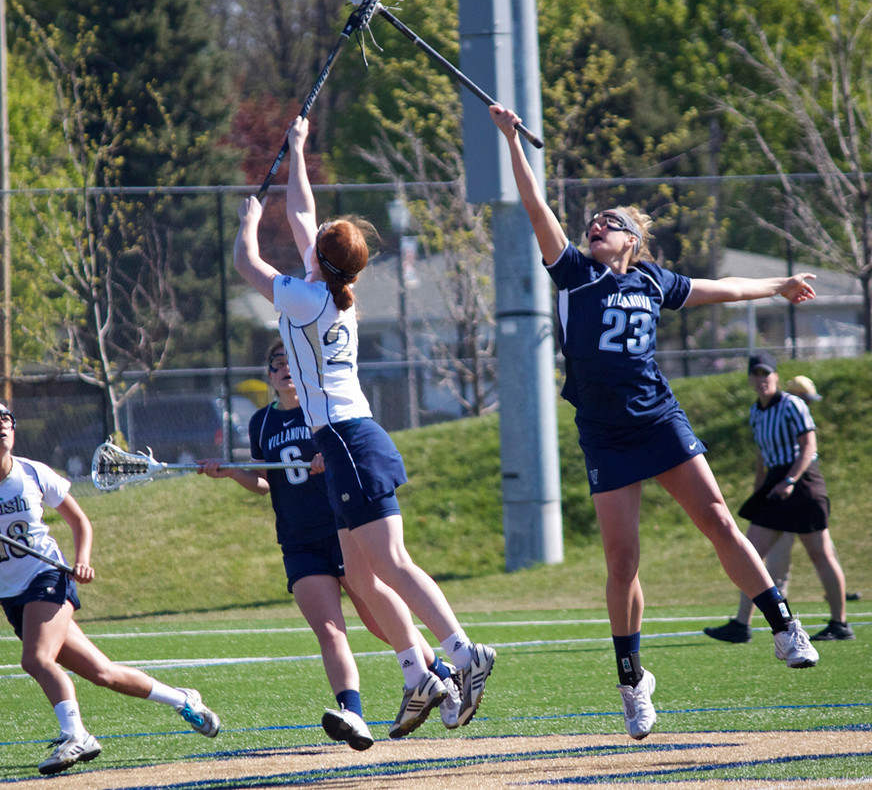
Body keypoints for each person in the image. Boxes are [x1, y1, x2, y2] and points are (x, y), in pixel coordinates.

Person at [489, 104, 819, 742]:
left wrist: (778, 283)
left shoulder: (652, 280)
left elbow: (720, 286)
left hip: (658, 418)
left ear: (632, 242)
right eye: (593, 223)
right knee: (622, 562)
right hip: (606, 434)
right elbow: (535, 208)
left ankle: (784, 626)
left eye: (608, 224)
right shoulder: (575, 274)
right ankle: (632, 683)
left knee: (720, 519)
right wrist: (512, 141)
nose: (595, 227)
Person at [233, 116, 495, 740]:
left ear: (320, 261)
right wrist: (296, 150)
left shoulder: (308, 298)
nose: (310, 235)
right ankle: (417, 674)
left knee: (393, 563)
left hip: (349, 440)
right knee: (365, 568)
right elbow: (304, 217)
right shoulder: (333, 288)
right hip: (349, 439)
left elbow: (247, 264)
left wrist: (246, 217)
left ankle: (463, 654)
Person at [0, 400, 220, 776]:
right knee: (103, 672)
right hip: (10, 594)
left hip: (47, 576)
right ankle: (184, 700)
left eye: (7, 419)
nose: (1, 425)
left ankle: (77, 735)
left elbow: (80, 522)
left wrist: (82, 559)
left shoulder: (34, 473)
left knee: (35, 660)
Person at [198, 340, 461, 750]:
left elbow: (349, 456)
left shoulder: (325, 415)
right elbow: (267, 482)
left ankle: (442, 676)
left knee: (377, 621)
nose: (285, 369)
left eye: (292, 362)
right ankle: (353, 714)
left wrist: (328, 459)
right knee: (328, 629)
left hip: (343, 530)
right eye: (277, 364)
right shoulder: (261, 422)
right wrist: (232, 472)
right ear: (269, 375)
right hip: (299, 539)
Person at [704, 356, 854, 644]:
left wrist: (790, 481)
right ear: (750, 379)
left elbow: (809, 445)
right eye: (756, 374)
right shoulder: (756, 412)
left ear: (775, 376)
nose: (761, 379)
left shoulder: (792, 404)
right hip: (775, 482)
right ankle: (741, 624)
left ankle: (840, 623)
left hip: (802, 479)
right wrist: (759, 489)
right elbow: (762, 454)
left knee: (821, 553)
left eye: (766, 374)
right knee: (748, 552)